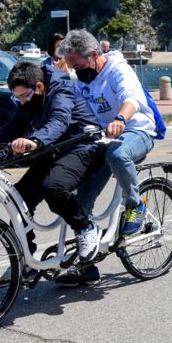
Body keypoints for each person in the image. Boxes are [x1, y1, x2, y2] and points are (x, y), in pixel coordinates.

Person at [0, 61, 103, 284]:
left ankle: (87, 229)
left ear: (39, 86)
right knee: (20, 198)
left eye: (24, 96)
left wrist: (35, 140)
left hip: (82, 146)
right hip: (53, 148)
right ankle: (25, 261)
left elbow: (59, 121)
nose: (21, 101)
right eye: (16, 97)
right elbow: (11, 129)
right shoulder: (28, 99)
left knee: (54, 188)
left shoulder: (61, 91)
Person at [60, 30, 159, 251]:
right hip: (103, 137)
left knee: (117, 154)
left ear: (94, 54)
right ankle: (87, 263)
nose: (77, 72)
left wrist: (121, 119)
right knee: (80, 200)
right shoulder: (82, 80)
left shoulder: (118, 70)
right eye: (72, 68)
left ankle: (135, 205)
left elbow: (131, 99)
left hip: (137, 130)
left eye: (78, 66)